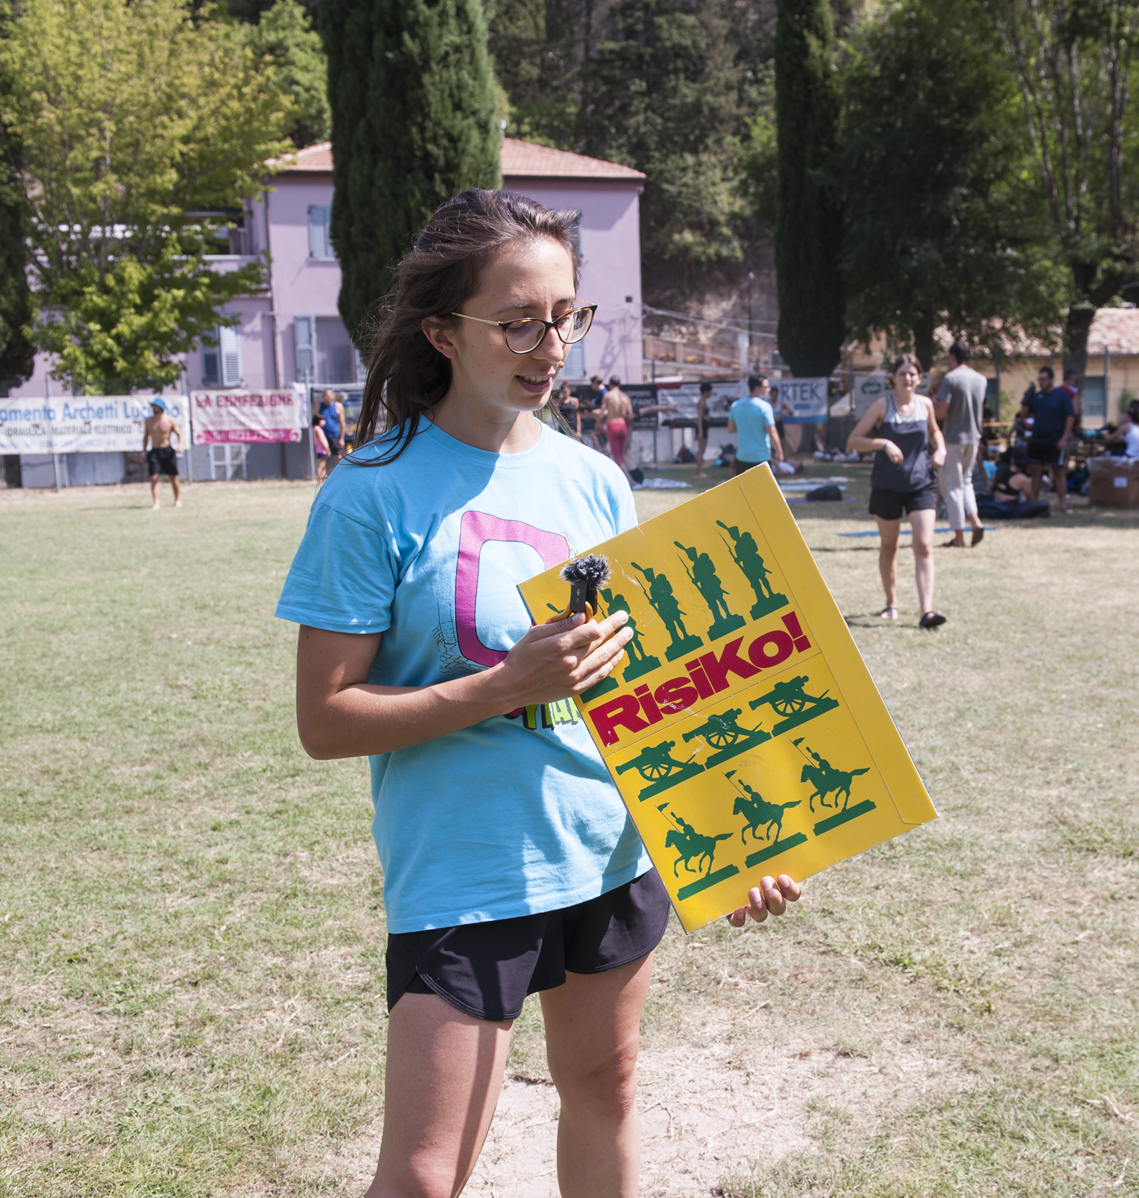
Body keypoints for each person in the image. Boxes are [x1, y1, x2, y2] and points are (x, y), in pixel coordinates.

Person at [275, 189, 799, 1198]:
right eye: (517, 321)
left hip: (608, 849)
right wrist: (502, 686)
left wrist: (739, 835)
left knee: (608, 1090)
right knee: (425, 1176)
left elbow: (654, 686)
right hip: (467, 871)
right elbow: (324, 719)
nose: (549, 346)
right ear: (442, 331)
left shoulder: (595, 480)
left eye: (565, 316)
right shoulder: (370, 491)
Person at [846, 352, 948, 628]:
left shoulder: (925, 405)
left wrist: (940, 449)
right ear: (893, 378)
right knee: (889, 547)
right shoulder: (882, 405)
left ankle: (927, 611)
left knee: (924, 545)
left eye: (912, 373)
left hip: (921, 484)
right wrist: (883, 444)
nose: (907, 378)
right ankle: (891, 603)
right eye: (902, 373)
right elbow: (854, 440)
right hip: (887, 486)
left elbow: (935, 432)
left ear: (920, 378)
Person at [933, 341, 987, 548]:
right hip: (973, 438)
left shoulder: (951, 378)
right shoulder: (981, 379)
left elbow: (941, 413)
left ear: (953, 356)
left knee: (952, 486)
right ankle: (975, 519)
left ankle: (958, 536)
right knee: (966, 482)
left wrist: (932, 403)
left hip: (953, 439)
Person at [1020, 368, 1078, 512]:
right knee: (1036, 471)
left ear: (1051, 379)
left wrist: (1064, 437)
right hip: (1037, 439)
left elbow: (1070, 417)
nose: (1041, 382)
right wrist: (1026, 399)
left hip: (1055, 439)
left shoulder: (1061, 396)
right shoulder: (1037, 397)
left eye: (1044, 379)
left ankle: (1063, 504)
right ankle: (1033, 502)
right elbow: (1024, 414)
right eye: (1039, 379)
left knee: (1058, 472)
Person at [727, 374, 783, 476]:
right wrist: (779, 451)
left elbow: (731, 429)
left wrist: (746, 427)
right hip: (761, 457)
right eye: (766, 387)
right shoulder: (765, 407)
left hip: (742, 456)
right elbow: (772, 432)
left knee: (744, 487)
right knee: (762, 487)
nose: (769, 389)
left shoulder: (736, 405)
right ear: (757, 388)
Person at [141, 397, 182, 509]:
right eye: (152, 406)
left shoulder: (170, 420)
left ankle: (177, 499)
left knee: (173, 477)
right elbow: (145, 437)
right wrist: (143, 453)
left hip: (167, 451)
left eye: (155, 406)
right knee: (154, 477)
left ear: (161, 408)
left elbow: (179, 435)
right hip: (155, 451)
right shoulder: (148, 421)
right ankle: (156, 503)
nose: (153, 408)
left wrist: (180, 445)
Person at [598, 378, 634, 473]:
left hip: (612, 425)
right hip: (623, 424)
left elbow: (601, 414)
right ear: (619, 384)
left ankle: (629, 479)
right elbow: (630, 415)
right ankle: (631, 475)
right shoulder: (625, 397)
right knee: (621, 455)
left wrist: (598, 422)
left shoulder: (608, 396)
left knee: (617, 457)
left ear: (610, 384)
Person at [692, 381, 716, 478]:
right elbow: (699, 418)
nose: (711, 393)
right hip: (702, 427)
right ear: (705, 392)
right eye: (710, 391)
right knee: (701, 450)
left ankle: (700, 470)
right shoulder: (701, 403)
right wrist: (700, 432)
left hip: (704, 426)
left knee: (702, 450)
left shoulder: (704, 402)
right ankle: (699, 471)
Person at [311, 414, 331, 483]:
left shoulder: (315, 428)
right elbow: (321, 440)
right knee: (320, 467)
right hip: (322, 450)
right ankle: (320, 481)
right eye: (322, 420)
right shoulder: (317, 429)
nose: (324, 422)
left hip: (321, 450)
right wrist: (327, 449)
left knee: (323, 467)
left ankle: (324, 481)